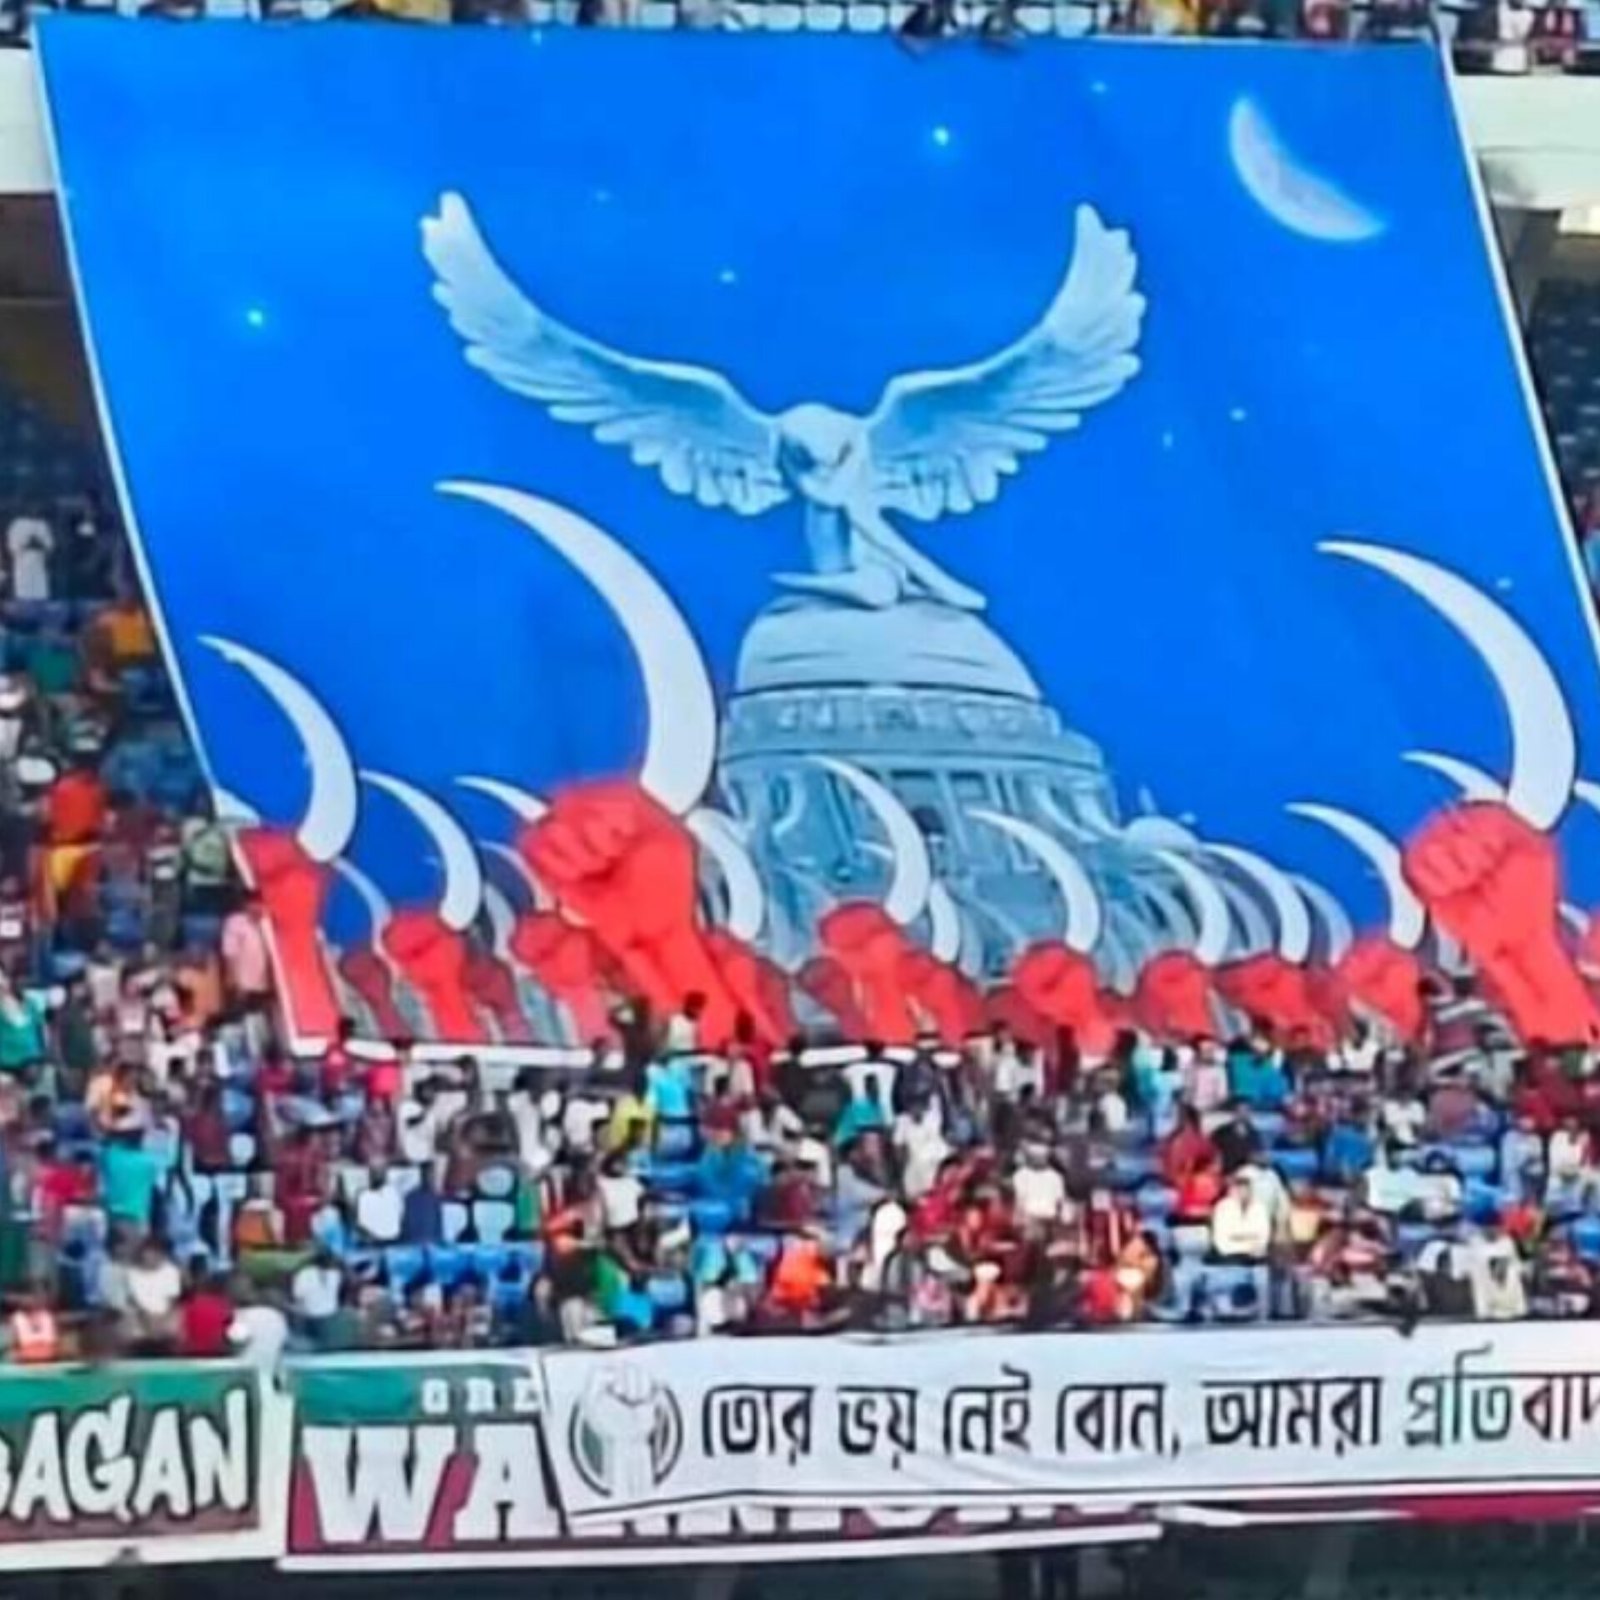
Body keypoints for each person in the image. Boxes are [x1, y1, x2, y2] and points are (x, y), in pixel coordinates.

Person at [1209, 1172, 1272, 1262]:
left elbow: (1263, 1236)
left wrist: (1239, 1237)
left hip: (1255, 1254)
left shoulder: (1260, 1207)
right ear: (1232, 1190)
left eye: (1246, 1190)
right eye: (1239, 1190)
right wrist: (1248, 1239)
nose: (1243, 1193)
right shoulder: (1222, 1207)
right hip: (1228, 1254)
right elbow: (1221, 1240)